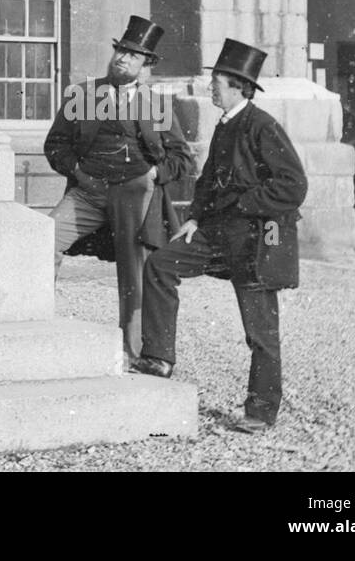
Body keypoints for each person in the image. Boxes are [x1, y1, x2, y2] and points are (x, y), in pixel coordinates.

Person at [132, 39, 309, 435]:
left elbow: (294, 185)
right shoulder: (226, 124)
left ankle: (261, 413)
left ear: (237, 88)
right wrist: (194, 218)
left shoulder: (263, 126)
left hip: (255, 241)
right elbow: (210, 180)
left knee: (260, 331)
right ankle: (159, 358)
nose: (211, 87)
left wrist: (246, 203)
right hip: (215, 234)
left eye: (217, 82)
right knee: (161, 265)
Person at [44, 16, 195, 361]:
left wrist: (154, 176)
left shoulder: (156, 104)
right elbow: (56, 145)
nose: (122, 60)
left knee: (135, 273)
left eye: (132, 56)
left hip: (135, 196)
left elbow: (182, 159)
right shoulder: (83, 94)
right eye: (120, 52)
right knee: (44, 241)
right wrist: (79, 173)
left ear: (144, 66)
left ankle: (134, 351)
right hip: (87, 192)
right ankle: (38, 331)